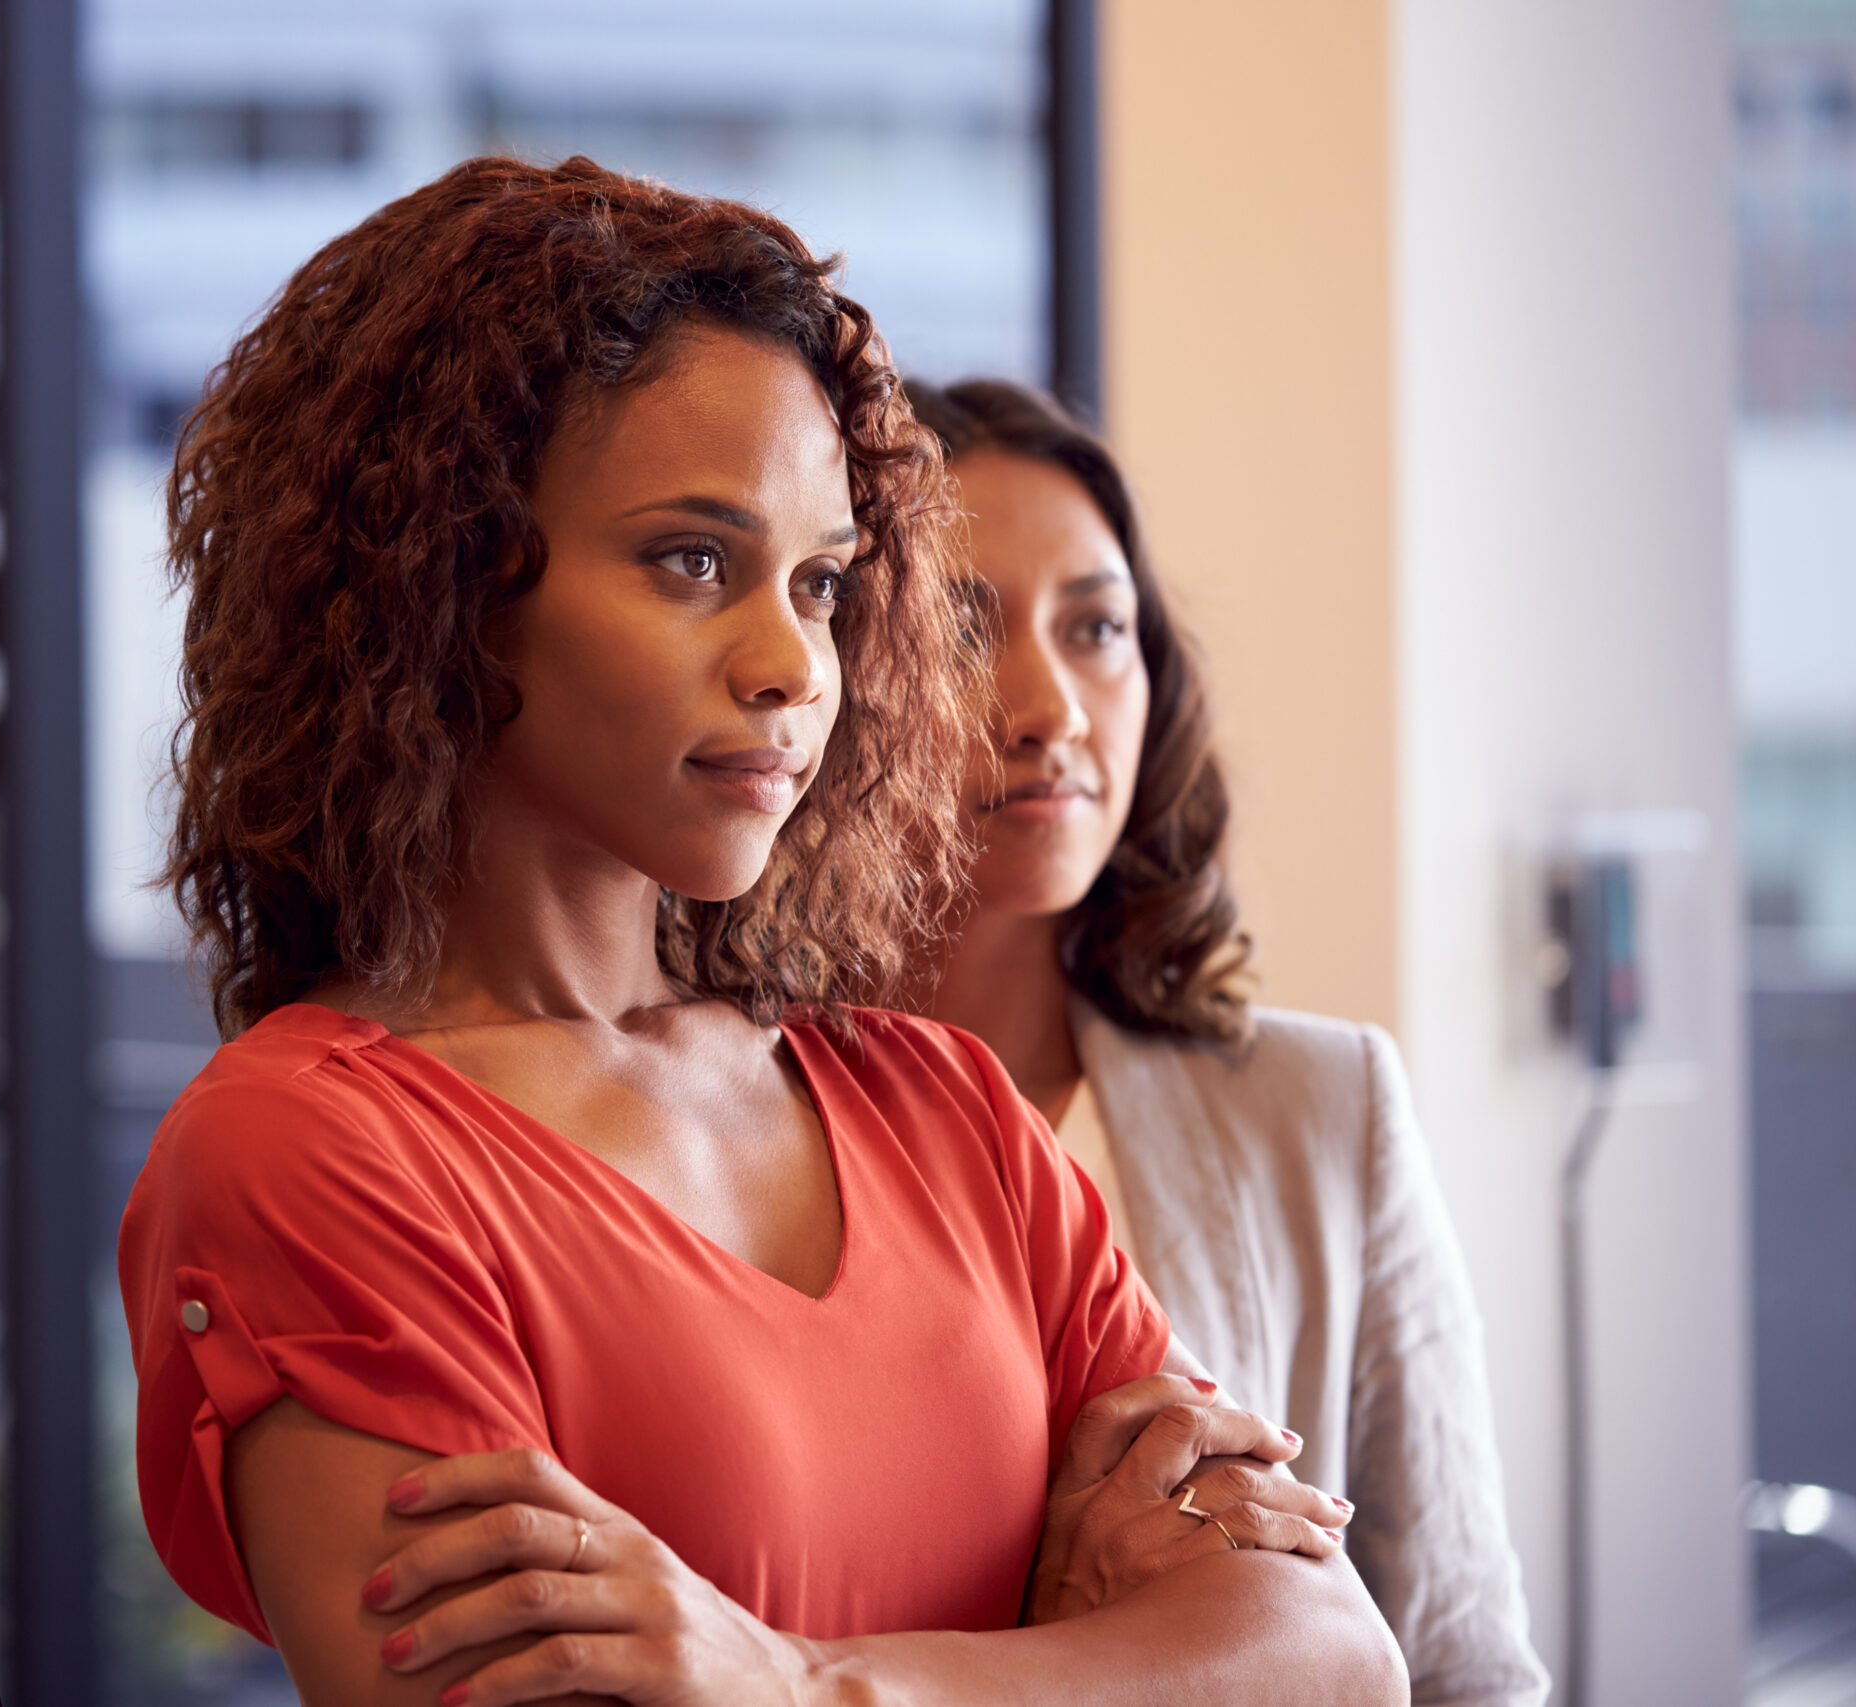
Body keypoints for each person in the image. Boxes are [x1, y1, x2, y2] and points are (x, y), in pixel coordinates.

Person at [119, 156, 1407, 1707]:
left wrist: (805, 1684)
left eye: (820, 582)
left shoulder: (945, 1112)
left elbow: (1332, 1662)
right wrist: (1084, 1651)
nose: (794, 661)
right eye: (692, 561)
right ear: (444, 586)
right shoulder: (315, 1154)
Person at [904, 376, 1548, 1706]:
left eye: (1096, 629)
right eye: (963, 629)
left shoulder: (1322, 1109)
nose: (1050, 706)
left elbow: (1462, 1662)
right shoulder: (711, 1110)